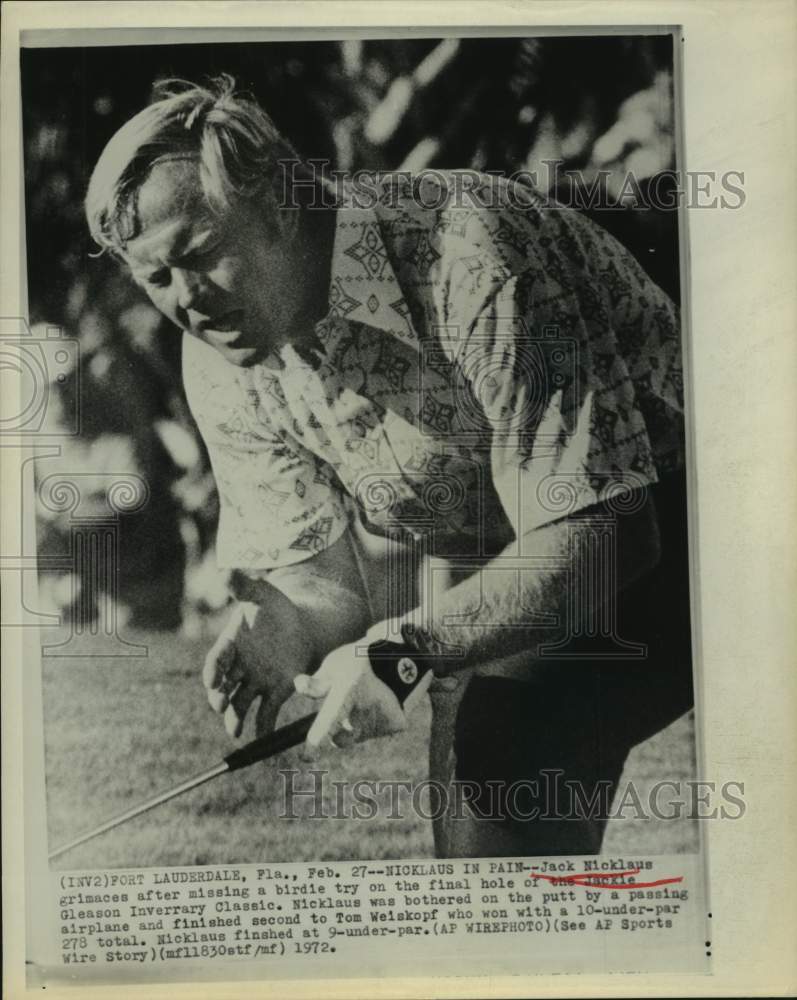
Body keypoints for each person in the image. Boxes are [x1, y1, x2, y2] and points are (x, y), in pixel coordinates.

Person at [85, 75, 693, 857]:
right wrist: (282, 626)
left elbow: (606, 538)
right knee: (481, 854)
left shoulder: (472, 248)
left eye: (200, 255)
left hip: (679, 524)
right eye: (154, 278)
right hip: (509, 560)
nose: (186, 301)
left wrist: (406, 648)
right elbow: (325, 585)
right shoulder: (217, 355)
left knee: (501, 766)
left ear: (278, 201)